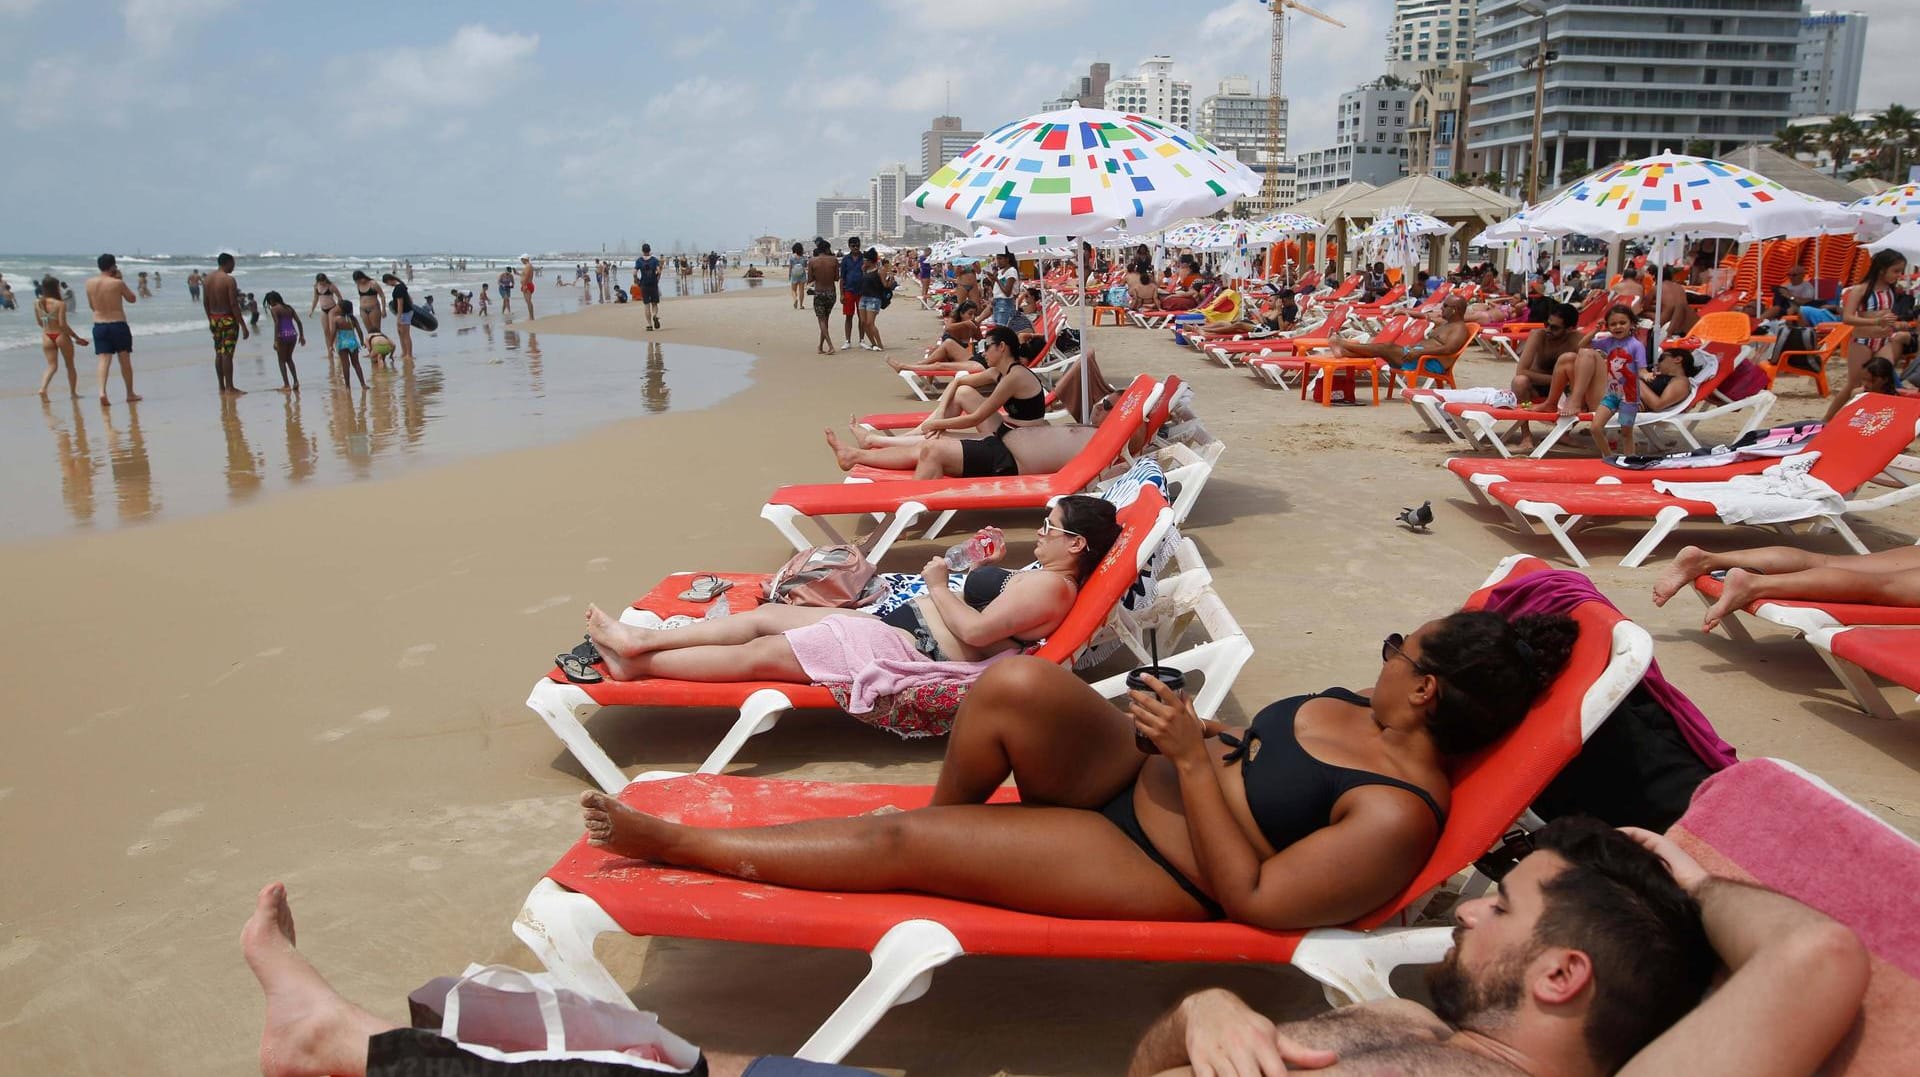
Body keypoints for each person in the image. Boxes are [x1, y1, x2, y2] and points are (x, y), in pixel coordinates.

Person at [579, 607, 1577, 932]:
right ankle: (945, 847)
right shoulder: (1360, 712)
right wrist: (1183, 732)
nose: (1389, 648)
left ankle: (686, 844)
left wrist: (1189, 761)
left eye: (1406, 645)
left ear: (1428, 691)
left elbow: (1259, 900)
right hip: (1143, 773)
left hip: (1155, 857)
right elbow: (1255, 758)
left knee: (901, 839)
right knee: (1013, 682)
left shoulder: (1398, 813)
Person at [1128, 820, 1866, 1077]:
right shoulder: (1399, 1017)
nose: (1471, 908)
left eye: (1503, 905)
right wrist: (1202, 1009)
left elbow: (1818, 954)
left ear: (1560, 972)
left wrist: (1698, 887)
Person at [581, 498, 1119, 687]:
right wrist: (991, 569)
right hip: (896, 629)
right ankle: (637, 642)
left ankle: (639, 665)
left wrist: (937, 584)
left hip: (904, 648)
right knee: (761, 618)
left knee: (760, 654)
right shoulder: (1046, 575)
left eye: (1049, 528)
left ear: (1075, 543)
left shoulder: (1053, 587)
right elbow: (993, 610)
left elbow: (978, 631)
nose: (1041, 532)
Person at [825, 327, 1049, 479]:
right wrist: (941, 413)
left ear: (1002, 347)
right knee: (958, 398)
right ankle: (863, 448)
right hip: (1010, 432)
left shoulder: (1014, 377)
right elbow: (959, 383)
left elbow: (977, 417)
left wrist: (938, 425)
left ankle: (863, 449)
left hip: (1020, 444)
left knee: (932, 443)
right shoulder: (996, 372)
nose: (982, 351)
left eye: (986, 346)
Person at [1827, 250, 1912, 422]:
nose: (1898, 275)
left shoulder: (1891, 290)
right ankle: (1827, 420)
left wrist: (1895, 324)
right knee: (1855, 384)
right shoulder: (1861, 290)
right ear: (1881, 269)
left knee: (1883, 382)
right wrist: (1877, 322)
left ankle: (1876, 420)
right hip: (1863, 341)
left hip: (1884, 340)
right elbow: (1848, 318)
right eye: (1895, 271)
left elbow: (1885, 317)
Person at [1330, 295, 1474, 379]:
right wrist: (1403, 311)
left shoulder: (1459, 329)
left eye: (1445, 306)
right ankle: (1343, 351)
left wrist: (1419, 352)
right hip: (1417, 356)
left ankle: (1342, 343)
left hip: (1427, 363)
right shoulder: (1447, 323)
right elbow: (1426, 316)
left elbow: (1449, 349)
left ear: (1454, 310)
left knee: (1384, 347)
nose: (1441, 308)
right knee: (1379, 351)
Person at [85, 254, 140, 406]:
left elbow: (92, 306)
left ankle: (102, 392)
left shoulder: (89, 283)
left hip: (99, 324)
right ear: (113, 267)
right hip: (117, 324)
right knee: (124, 359)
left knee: (103, 360)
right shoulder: (117, 283)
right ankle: (130, 393)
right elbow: (132, 298)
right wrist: (120, 279)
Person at [34, 275, 88, 399]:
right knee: (70, 365)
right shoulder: (60, 304)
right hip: (60, 336)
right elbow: (63, 325)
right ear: (55, 288)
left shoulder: (37, 303)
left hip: (47, 336)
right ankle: (73, 393)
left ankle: (43, 389)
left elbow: (39, 322)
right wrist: (76, 337)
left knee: (52, 366)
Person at [203, 252, 250, 394]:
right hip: (228, 319)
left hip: (214, 318)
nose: (233, 267)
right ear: (228, 263)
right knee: (227, 353)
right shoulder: (229, 280)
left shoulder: (207, 279)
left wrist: (210, 320)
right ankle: (230, 387)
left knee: (218, 352)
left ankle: (221, 386)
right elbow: (233, 304)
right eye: (233, 264)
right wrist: (242, 325)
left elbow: (205, 302)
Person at [263, 291, 306, 391]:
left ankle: (286, 385)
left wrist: (275, 340)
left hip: (282, 336)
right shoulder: (289, 308)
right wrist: (302, 336)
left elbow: (277, 323)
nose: (269, 304)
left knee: (281, 360)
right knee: (289, 358)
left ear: (272, 300)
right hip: (293, 334)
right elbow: (299, 322)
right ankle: (295, 381)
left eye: (269, 302)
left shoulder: (274, 309)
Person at [804, 238, 839, 354]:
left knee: (821, 320)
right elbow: (836, 278)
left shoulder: (812, 261)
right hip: (831, 293)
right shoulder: (834, 260)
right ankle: (820, 346)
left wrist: (817, 275)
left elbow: (809, 279)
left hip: (819, 292)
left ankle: (830, 346)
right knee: (825, 320)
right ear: (827, 249)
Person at [858, 248, 891, 351]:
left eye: (865, 260)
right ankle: (873, 343)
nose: (863, 261)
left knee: (870, 323)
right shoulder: (864, 269)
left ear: (869, 261)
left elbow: (885, 285)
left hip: (874, 299)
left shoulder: (880, 271)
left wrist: (891, 280)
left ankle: (879, 344)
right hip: (863, 297)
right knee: (863, 322)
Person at [331, 302, 367, 391]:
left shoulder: (337, 320)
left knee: (345, 365)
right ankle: (363, 384)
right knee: (356, 364)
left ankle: (347, 386)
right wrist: (362, 341)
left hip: (342, 344)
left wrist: (330, 344)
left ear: (341, 309)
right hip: (353, 343)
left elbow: (333, 333)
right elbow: (359, 331)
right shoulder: (353, 319)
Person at [310, 274, 343, 363]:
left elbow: (340, 297)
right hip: (323, 310)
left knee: (333, 331)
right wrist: (311, 310)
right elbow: (315, 298)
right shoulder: (316, 286)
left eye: (323, 281)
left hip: (332, 308)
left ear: (325, 280)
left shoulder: (331, 286)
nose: (322, 283)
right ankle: (329, 351)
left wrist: (340, 309)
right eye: (320, 282)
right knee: (326, 331)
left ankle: (338, 350)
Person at [839, 237, 865, 350]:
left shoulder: (864, 258)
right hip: (848, 290)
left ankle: (862, 340)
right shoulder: (845, 259)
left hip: (862, 292)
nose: (855, 247)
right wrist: (841, 294)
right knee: (848, 316)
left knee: (862, 317)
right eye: (853, 245)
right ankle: (847, 340)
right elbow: (842, 278)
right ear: (849, 246)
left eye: (857, 245)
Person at [382, 273, 415, 362]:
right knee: (401, 333)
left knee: (405, 334)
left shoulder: (398, 288)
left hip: (405, 313)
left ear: (389, 280)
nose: (387, 285)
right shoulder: (401, 286)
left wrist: (398, 318)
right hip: (406, 312)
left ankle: (409, 354)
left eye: (386, 283)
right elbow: (410, 298)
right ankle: (404, 352)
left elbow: (400, 304)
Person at [351, 270, 384, 343]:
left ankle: (379, 348)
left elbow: (382, 295)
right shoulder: (358, 285)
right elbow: (361, 297)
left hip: (373, 308)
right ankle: (371, 349)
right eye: (356, 281)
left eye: (359, 280)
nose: (358, 282)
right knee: (369, 330)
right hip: (363, 309)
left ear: (363, 277)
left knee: (376, 330)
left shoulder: (373, 284)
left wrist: (383, 309)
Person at [635, 244, 663, 331]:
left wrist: (636, 280)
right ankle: (655, 315)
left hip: (644, 284)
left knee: (646, 305)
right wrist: (657, 278)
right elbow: (659, 271)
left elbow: (634, 273)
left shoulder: (639, 261)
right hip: (653, 284)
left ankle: (649, 325)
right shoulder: (654, 260)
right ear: (649, 250)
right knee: (654, 303)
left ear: (642, 251)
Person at [787, 241, 808, 309]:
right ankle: (801, 305)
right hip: (802, 274)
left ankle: (795, 299)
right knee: (801, 290)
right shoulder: (803, 257)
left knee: (793, 290)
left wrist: (789, 275)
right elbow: (805, 266)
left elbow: (790, 267)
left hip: (794, 274)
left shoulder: (792, 257)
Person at [518, 255, 536, 320]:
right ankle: (531, 316)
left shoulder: (528, 266)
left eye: (521, 259)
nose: (521, 261)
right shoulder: (528, 266)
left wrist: (524, 285)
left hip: (527, 285)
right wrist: (517, 273)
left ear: (524, 259)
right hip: (528, 284)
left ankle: (531, 317)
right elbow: (524, 275)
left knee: (528, 301)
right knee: (528, 301)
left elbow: (526, 277)